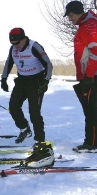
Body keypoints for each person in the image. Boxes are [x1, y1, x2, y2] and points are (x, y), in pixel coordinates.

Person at [0, 27, 54, 167]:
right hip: (22, 81)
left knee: (34, 112)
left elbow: (48, 63)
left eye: (17, 43)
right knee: (13, 106)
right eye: (13, 44)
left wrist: (46, 80)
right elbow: (9, 62)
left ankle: (40, 142)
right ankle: (24, 129)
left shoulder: (34, 46)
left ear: (24, 38)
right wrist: (4, 79)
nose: (15, 46)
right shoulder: (13, 48)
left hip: (36, 82)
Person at [63, 1, 97, 152]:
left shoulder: (90, 26)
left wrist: (89, 76)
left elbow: (95, 52)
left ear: (78, 12)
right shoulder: (85, 25)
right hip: (88, 76)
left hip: (92, 76)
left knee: (91, 111)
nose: (70, 19)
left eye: (70, 15)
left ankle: (91, 143)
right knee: (90, 110)